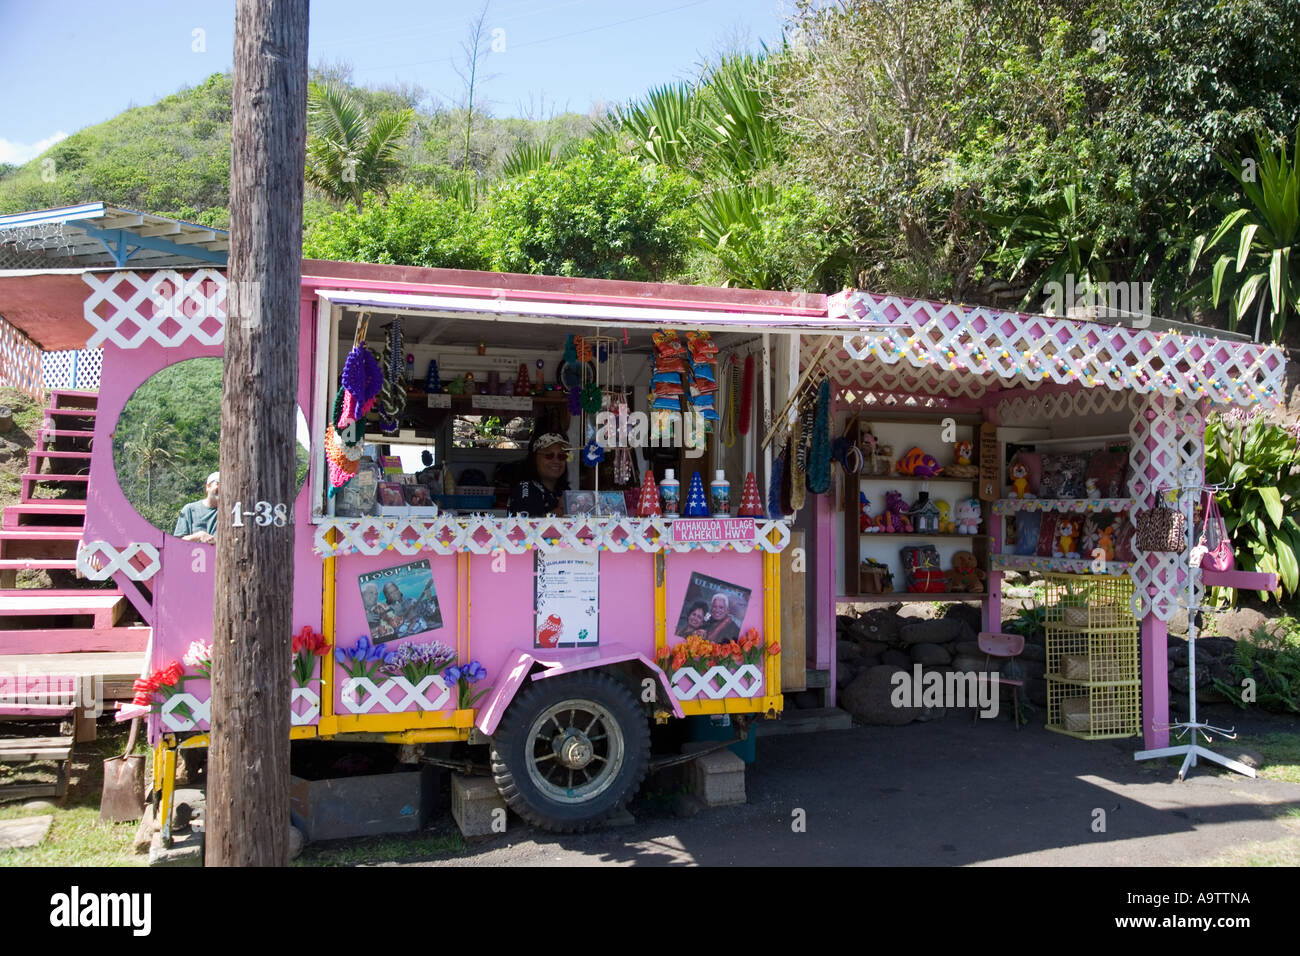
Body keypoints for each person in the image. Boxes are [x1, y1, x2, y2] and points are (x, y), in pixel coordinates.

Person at [507, 433, 570, 516]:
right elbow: (527, 526)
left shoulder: (563, 492)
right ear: (534, 459)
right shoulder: (525, 488)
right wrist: (560, 511)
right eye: (549, 455)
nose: (556, 461)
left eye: (561, 456)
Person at [174, 472, 220, 544]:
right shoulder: (189, 510)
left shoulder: (231, 512)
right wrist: (199, 536)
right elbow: (177, 542)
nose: (221, 488)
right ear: (207, 487)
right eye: (218, 484)